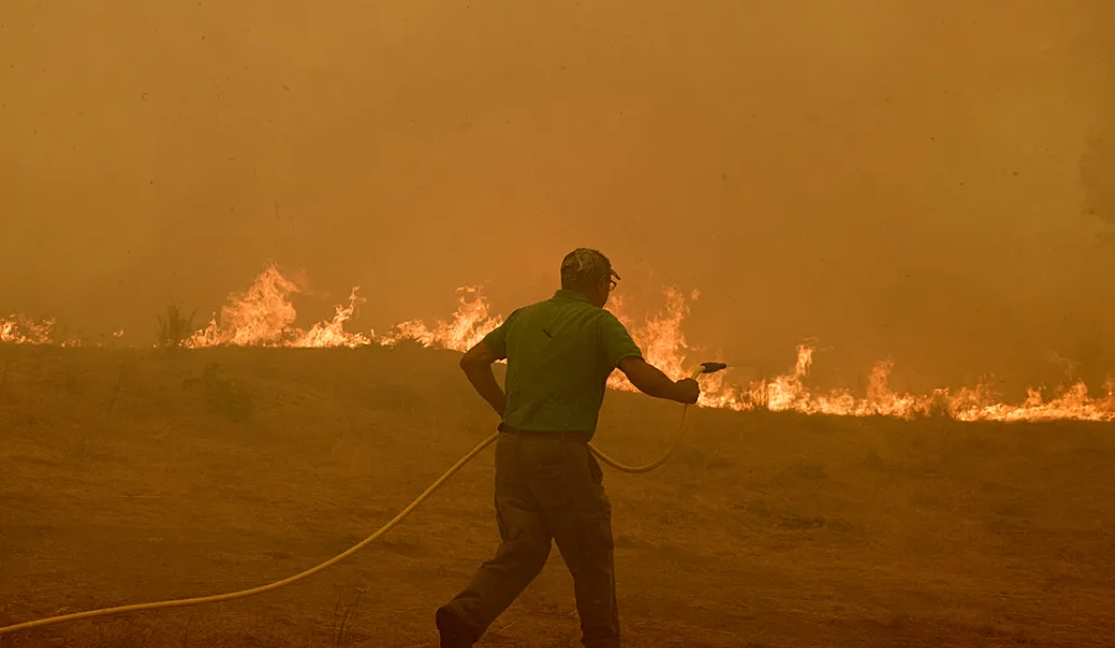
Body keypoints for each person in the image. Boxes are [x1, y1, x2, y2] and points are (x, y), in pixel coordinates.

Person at [436, 248, 701, 648]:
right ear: (599, 284)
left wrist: (505, 408)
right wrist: (680, 391)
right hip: (560, 456)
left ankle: (464, 617)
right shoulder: (598, 322)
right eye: (609, 284)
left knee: (522, 547)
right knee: (591, 555)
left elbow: (472, 361)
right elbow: (639, 374)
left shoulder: (524, 317)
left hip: (511, 451)